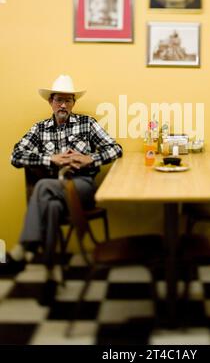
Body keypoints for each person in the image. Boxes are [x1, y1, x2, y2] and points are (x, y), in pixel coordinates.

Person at [6, 75, 123, 302]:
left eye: (68, 101)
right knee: (49, 206)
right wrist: (52, 159)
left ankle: (22, 250)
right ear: (50, 101)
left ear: (73, 104)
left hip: (82, 187)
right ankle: (50, 276)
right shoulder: (39, 129)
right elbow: (16, 156)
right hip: (53, 190)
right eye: (59, 100)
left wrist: (90, 158)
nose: (63, 105)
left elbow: (116, 149)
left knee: (42, 187)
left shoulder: (86, 124)